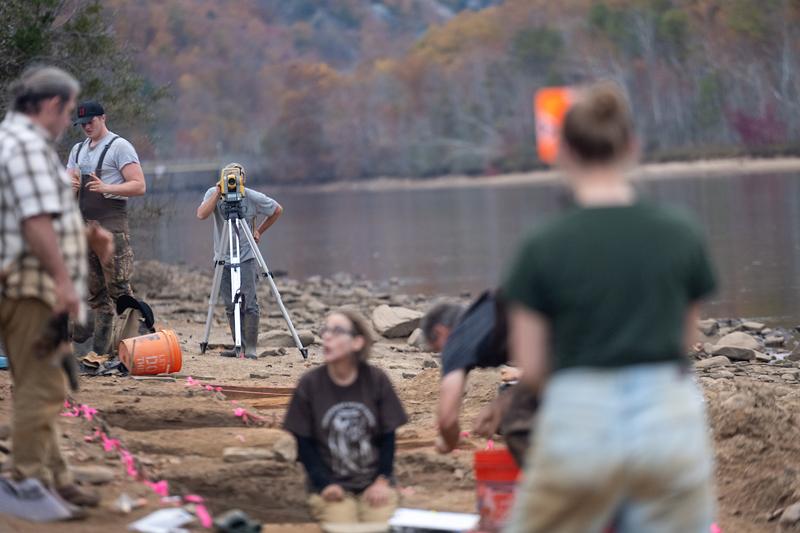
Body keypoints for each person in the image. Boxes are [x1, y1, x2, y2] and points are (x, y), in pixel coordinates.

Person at [503, 81, 717, 532]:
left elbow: (532, 366)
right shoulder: (681, 232)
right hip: (669, 417)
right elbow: (686, 340)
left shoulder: (542, 245)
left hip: (581, 417)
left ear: (562, 151)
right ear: (632, 147)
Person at [0, 66, 113, 513]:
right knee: (47, 387)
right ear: (49, 104)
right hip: (28, 287)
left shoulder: (16, 144)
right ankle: (23, 483)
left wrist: (86, 238)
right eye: (67, 112)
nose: (69, 121)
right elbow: (34, 221)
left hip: (25, 282)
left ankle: (57, 479)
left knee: (35, 383)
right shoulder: (24, 145)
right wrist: (66, 284)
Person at [284, 309, 408, 525]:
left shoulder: (377, 381)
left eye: (337, 331)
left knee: (379, 525)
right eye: (326, 330)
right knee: (343, 524)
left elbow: (388, 437)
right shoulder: (310, 384)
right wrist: (324, 484)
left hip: (373, 483)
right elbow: (303, 444)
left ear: (357, 342)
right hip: (331, 486)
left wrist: (382, 481)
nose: (327, 336)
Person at [66, 100, 146, 356]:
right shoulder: (77, 150)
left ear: (103, 118)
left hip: (112, 228)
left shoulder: (120, 147)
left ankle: (133, 349)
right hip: (84, 229)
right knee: (94, 294)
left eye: (90, 121)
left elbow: (139, 185)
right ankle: (96, 353)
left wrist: (107, 188)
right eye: (82, 124)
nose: (86, 127)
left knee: (120, 291)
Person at [421, 293, 536, 467]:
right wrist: (503, 401)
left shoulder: (456, 340)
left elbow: (447, 419)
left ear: (440, 331)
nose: (443, 355)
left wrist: (448, 442)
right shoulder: (486, 309)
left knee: (516, 423)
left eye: (438, 349)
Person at [196, 162, 283, 359]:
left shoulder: (252, 197)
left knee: (249, 302)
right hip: (222, 257)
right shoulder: (213, 192)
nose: (232, 180)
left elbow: (277, 210)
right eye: (228, 176)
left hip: (246, 256)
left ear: (244, 178)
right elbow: (201, 214)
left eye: (237, 176)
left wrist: (259, 231)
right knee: (230, 304)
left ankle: (250, 347)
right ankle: (238, 347)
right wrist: (218, 191)